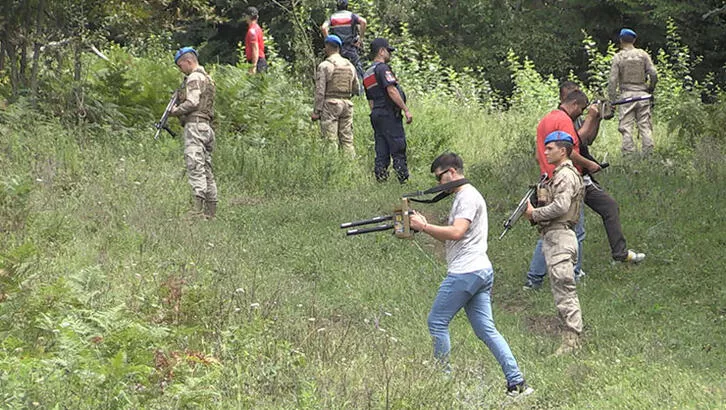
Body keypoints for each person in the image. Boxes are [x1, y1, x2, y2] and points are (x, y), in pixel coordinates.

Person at [409, 153, 534, 396]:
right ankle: (517, 382)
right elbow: (455, 234)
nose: (439, 184)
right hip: (480, 270)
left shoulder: (467, 197)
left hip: (466, 272)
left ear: (452, 172)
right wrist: (423, 227)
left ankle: (441, 383)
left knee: (436, 322)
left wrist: (423, 226)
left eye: (440, 177)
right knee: (486, 330)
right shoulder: (465, 195)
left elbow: (456, 232)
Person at [523, 84, 646, 290]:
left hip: (550, 179)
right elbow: (569, 151)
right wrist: (589, 164)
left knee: (552, 230)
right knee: (572, 229)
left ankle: (535, 280)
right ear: (572, 103)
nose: (580, 113)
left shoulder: (546, 120)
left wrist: (595, 117)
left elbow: (542, 154)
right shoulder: (563, 120)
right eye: (580, 109)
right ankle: (572, 274)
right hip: (565, 180)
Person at [524, 131, 585, 355]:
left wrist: (535, 214)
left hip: (561, 236)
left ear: (563, 150)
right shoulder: (558, 175)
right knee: (560, 286)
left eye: (550, 148)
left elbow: (561, 206)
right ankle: (569, 335)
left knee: (564, 286)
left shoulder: (565, 175)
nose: (546, 151)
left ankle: (572, 339)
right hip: (554, 236)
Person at [169, 47, 218, 218]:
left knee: (195, 165)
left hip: (195, 126)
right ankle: (211, 213)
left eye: (180, 66)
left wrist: (175, 111)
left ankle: (196, 211)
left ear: (188, 62)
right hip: (206, 127)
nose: (180, 69)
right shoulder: (208, 79)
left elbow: (192, 102)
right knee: (206, 169)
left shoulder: (194, 77)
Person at [363, 38, 412, 183]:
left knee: (381, 149)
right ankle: (403, 180)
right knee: (397, 147)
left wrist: (375, 114)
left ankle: (381, 180)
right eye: (388, 51)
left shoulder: (367, 73)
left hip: (376, 114)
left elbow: (370, 99)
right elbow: (391, 90)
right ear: (381, 51)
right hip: (389, 114)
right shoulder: (382, 68)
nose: (389, 54)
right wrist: (406, 109)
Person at [608, 28, 657, 155]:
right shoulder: (643, 55)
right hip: (643, 95)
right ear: (634, 40)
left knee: (626, 127)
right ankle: (649, 153)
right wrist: (650, 88)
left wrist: (612, 100)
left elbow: (613, 80)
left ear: (620, 40)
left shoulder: (618, 57)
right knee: (645, 125)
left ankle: (628, 155)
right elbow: (654, 73)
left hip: (626, 96)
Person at [311, 35, 359, 157]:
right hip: (347, 104)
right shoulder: (350, 65)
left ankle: (331, 167)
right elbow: (356, 88)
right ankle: (350, 166)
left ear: (327, 46)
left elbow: (320, 91)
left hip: (330, 104)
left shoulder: (325, 65)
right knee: (347, 139)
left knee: (330, 139)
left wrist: (317, 111)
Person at [321, 0, 367, 82]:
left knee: (338, 70)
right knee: (357, 69)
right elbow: (363, 22)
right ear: (347, 6)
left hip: (338, 49)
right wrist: (361, 38)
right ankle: (360, 91)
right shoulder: (352, 16)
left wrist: (329, 41)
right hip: (351, 47)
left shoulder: (332, 17)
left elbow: (324, 28)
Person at [244, 7, 267, 74]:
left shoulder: (252, 31)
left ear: (248, 16)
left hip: (257, 62)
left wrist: (253, 66)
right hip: (260, 61)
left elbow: (255, 49)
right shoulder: (257, 28)